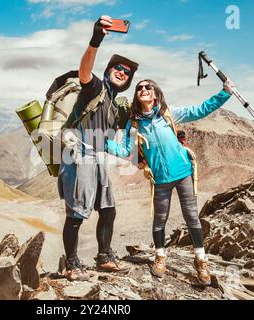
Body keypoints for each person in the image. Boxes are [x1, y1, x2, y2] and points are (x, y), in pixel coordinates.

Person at [106, 78, 235, 285]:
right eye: (139, 87)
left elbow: (200, 110)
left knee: (192, 217)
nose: (144, 89)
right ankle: (160, 257)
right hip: (160, 179)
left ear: (155, 93)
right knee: (160, 220)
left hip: (183, 173)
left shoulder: (168, 113)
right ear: (136, 95)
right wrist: (102, 143)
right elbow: (125, 151)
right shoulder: (134, 123)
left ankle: (201, 260)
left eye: (148, 87)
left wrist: (225, 92)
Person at [58, 15, 139, 281]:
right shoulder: (95, 89)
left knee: (108, 209)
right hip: (78, 154)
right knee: (76, 214)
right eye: (118, 68)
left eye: (127, 73)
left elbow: (117, 139)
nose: (122, 72)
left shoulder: (117, 105)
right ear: (108, 70)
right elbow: (84, 70)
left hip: (97, 157)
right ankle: (71, 264)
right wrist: (96, 39)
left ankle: (104, 257)